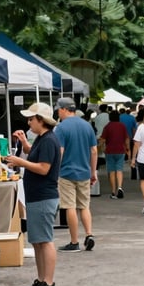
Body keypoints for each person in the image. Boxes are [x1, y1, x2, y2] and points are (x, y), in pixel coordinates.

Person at [6, 103, 61, 286]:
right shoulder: (41, 138)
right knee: (38, 241)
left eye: (31, 119)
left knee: (45, 241)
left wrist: (21, 163)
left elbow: (44, 168)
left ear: (42, 120)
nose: (29, 122)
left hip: (43, 197)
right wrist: (24, 142)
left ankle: (49, 282)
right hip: (37, 196)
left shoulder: (48, 140)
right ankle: (41, 280)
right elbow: (33, 154)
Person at [55, 96, 98, 252]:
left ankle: (74, 242)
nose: (57, 113)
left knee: (69, 206)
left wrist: (54, 172)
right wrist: (93, 172)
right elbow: (94, 151)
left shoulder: (61, 128)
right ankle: (89, 234)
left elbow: (60, 151)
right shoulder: (87, 126)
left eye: (58, 109)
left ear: (65, 109)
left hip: (66, 173)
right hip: (85, 172)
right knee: (84, 206)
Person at [100, 110, 130, 199]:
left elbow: (102, 140)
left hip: (110, 151)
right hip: (120, 150)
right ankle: (120, 187)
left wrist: (102, 148)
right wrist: (127, 148)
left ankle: (113, 191)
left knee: (112, 171)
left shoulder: (107, 126)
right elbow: (127, 139)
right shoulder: (122, 126)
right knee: (119, 169)